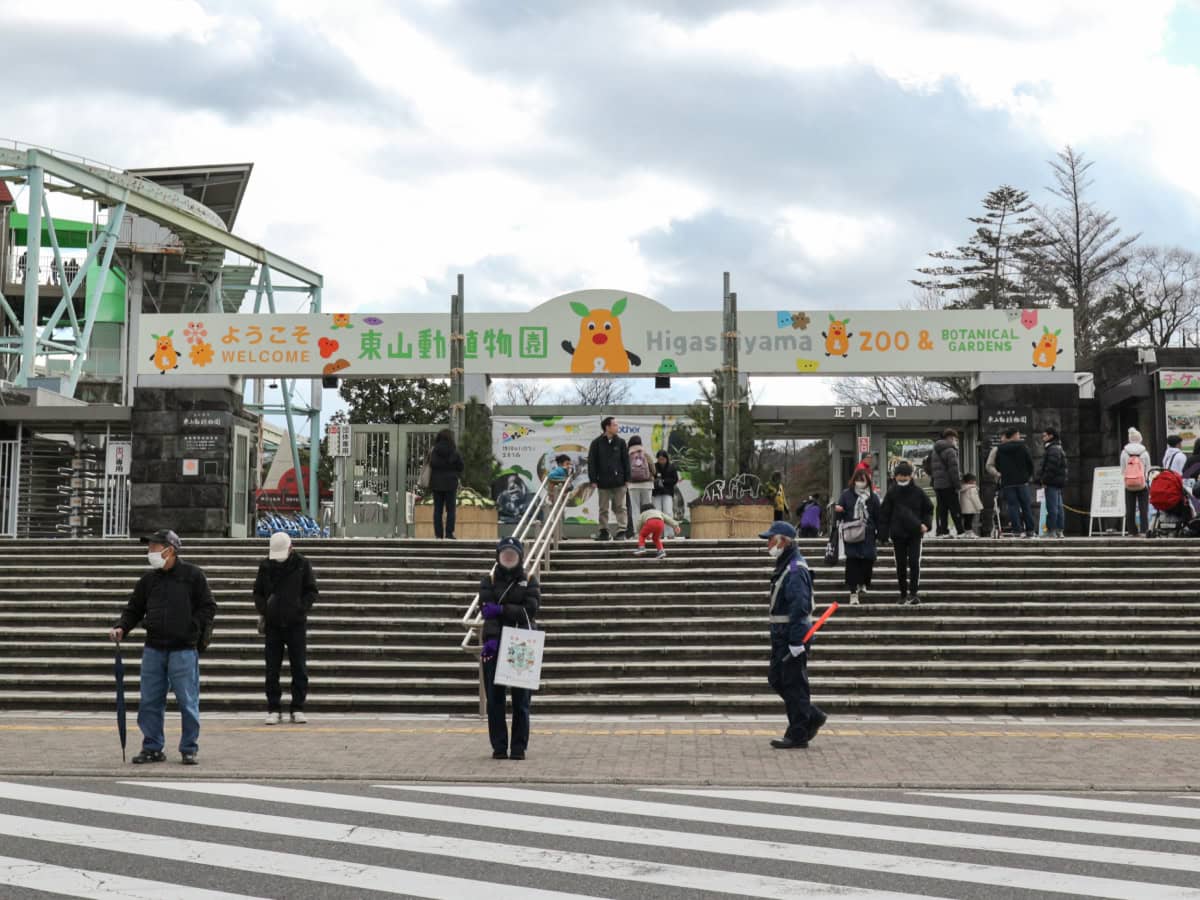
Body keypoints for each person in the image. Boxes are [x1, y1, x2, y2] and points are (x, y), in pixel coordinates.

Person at [108, 530, 215, 766]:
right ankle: (152, 747)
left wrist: (193, 627)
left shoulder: (193, 576)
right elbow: (134, 609)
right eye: (150, 548)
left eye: (154, 548)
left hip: (183, 650)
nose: (150, 552)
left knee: (187, 701)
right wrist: (121, 628)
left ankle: (189, 748)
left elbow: (208, 607)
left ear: (170, 550)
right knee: (150, 700)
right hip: (154, 648)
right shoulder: (149, 580)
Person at [760, 521, 826, 750]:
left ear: (783, 541)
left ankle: (798, 733)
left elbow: (800, 607)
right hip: (782, 635)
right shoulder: (786, 563)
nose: (768, 544)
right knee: (778, 679)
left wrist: (797, 641)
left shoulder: (795, 569)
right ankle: (811, 715)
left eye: (770, 539)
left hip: (791, 635)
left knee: (794, 685)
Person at [479, 537, 540, 760]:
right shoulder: (488, 579)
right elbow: (486, 610)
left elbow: (530, 611)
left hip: (521, 645)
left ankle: (518, 747)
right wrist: (508, 613)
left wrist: (501, 609)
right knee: (495, 700)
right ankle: (498, 746)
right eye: (504, 554)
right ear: (498, 556)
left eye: (512, 555)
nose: (508, 558)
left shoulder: (530, 580)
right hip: (494, 644)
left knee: (521, 700)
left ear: (520, 557)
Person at [253, 531, 318, 725]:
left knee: (299, 667)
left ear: (291, 548)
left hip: (296, 624)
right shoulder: (265, 566)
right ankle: (273, 708)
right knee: (272, 668)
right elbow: (257, 592)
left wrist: (300, 608)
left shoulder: (302, 564)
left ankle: (297, 707)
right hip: (273, 624)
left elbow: (311, 590)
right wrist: (265, 609)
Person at [879, 462, 933, 605]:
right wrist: (883, 535)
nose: (902, 479)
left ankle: (913, 593)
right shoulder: (891, 493)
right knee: (901, 564)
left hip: (915, 533)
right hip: (898, 534)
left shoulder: (918, 492)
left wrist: (926, 525)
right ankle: (903, 593)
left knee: (915, 562)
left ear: (911, 476)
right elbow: (884, 514)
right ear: (895, 476)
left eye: (905, 476)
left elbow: (928, 509)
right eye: (900, 476)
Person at [834, 470, 881, 605]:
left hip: (868, 533)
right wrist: (839, 511)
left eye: (863, 480)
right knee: (852, 562)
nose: (860, 482)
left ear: (868, 481)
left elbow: (878, 515)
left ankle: (863, 582)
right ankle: (853, 592)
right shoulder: (846, 495)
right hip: (852, 532)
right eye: (858, 480)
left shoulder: (873, 497)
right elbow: (840, 512)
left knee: (868, 560)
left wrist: (881, 531)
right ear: (853, 480)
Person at [588, 416, 630, 540]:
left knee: (621, 507)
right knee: (603, 508)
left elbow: (626, 461)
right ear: (607, 427)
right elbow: (592, 462)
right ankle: (604, 531)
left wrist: (627, 478)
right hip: (603, 481)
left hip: (620, 481)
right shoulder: (596, 443)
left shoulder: (621, 442)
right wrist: (593, 480)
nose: (617, 427)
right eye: (615, 425)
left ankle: (622, 531)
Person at [995, 427, 1037, 537]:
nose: (1019, 436)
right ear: (1014, 435)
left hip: (1008, 482)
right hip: (1022, 482)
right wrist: (1028, 476)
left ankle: (1017, 530)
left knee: (1012, 506)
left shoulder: (1000, 449)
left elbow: (998, 464)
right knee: (1026, 506)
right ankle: (1030, 530)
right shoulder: (1022, 447)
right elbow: (1030, 463)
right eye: (1018, 434)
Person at [428, 428, 465, 540]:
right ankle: (449, 533)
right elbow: (461, 467)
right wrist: (454, 472)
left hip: (437, 484)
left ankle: (438, 535)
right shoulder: (454, 451)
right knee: (451, 510)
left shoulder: (434, 451)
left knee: (437, 510)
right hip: (450, 483)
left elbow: (432, 464)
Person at [928, 428, 964, 537]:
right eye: (955, 439)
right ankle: (960, 531)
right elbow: (953, 470)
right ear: (950, 438)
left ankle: (942, 531)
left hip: (938, 485)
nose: (955, 441)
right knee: (954, 508)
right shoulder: (950, 450)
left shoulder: (935, 450)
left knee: (942, 508)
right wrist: (958, 485)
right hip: (948, 484)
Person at [1036, 427, 1068, 539]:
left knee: (1052, 507)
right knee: (1058, 507)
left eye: (1045, 435)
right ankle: (1059, 530)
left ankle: (1051, 531)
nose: (1043, 438)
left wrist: (1043, 480)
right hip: (1057, 482)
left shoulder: (1052, 449)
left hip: (1052, 482)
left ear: (1051, 436)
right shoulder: (1058, 447)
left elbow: (1051, 468)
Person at [1121, 427, 1152, 537]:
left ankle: (1131, 531)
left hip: (1129, 484)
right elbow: (1148, 469)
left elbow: (1123, 469)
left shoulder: (1124, 452)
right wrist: (1146, 479)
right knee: (1144, 508)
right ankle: (1144, 530)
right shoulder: (1144, 452)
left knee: (1130, 508)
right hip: (1142, 483)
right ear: (1140, 438)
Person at [652, 450, 679, 537]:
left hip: (667, 492)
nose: (661, 461)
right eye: (659, 459)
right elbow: (651, 477)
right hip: (656, 492)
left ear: (666, 459)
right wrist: (656, 482)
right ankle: (658, 533)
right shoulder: (654, 466)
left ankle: (670, 533)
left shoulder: (671, 467)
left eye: (663, 459)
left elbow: (675, 479)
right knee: (657, 513)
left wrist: (664, 481)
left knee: (668, 512)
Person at [626, 435, 656, 515]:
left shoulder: (628, 454)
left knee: (635, 509)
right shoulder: (645, 453)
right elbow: (653, 469)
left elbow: (625, 469)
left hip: (633, 485)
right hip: (647, 484)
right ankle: (648, 527)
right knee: (648, 509)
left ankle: (636, 528)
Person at [958, 473, 982, 537]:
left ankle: (966, 533)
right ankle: (970, 533)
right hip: (971, 508)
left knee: (966, 521)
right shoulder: (972, 488)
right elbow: (975, 498)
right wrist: (979, 507)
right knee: (970, 521)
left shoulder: (962, 488)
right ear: (970, 481)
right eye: (974, 480)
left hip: (964, 508)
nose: (975, 482)